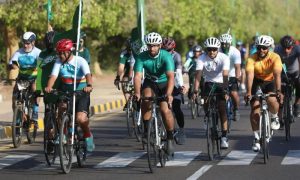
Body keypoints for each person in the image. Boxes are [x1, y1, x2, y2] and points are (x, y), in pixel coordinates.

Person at [45, 39, 95, 152]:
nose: (60, 55)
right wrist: (49, 87)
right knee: (61, 109)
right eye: (59, 53)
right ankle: (62, 134)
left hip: (81, 93)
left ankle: (88, 135)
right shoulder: (58, 62)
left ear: (69, 52)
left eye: (62, 53)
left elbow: (88, 74)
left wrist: (89, 85)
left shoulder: (80, 61)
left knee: (80, 119)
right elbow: (53, 76)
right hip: (66, 92)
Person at [134, 32, 175, 156]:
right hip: (150, 81)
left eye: (155, 45)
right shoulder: (141, 57)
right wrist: (137, 93)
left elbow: (171, 77)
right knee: (145, 100)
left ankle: (169, 138)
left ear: (159, 46)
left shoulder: (166, 56)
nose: (152, 48)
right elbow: (137, 76)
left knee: (165, 110)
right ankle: (146, 130)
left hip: (164, 83)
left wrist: (169, 94)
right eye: (150, 45)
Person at [245, 35, 283, 152]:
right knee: (255, 109)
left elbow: (277, 75)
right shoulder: (251, 58)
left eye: (264, 48)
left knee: (272, 100)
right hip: (257, 81)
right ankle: (256, 138)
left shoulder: (275, 57)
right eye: (259, 47)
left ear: (269, 48)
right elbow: (250, 76)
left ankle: (274, 116)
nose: (261, 50)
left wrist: (278, 91)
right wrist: (249, 92)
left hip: (270, 81)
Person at [193, 37, 230, 149]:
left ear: (217, 49)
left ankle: (224, 137)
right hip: (209, 83)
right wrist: (195, 90)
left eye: (214, 49)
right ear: (206, 50)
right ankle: (207, 116)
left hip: (220, 83)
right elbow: (198, 75)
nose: (212, 52)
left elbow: (225, 75)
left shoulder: (224, 57)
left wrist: (225, 90)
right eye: (209, 49)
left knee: (222, 109)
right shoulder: (202, 58)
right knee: (204, 100)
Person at [10, 32, 41, 122]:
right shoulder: (19, 52)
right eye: (24, 43)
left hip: (34, 78)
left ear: (33, 42)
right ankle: (17, 119)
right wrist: (12, 66)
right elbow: (12, 62)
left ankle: (35, 111)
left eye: (27, 43)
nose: (25, 45)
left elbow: (42, 66)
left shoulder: (38, 52)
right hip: (23, 79)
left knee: (35, 89)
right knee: (15, 99)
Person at [162, 37, 186, 145]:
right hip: (162, 83)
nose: (166, 53)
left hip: (175, 83)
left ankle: (181, 130)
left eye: (168, 51)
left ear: (173, 49)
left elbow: (179, 72)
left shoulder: (176, 56)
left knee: (176, 107)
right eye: (164, 50)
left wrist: (181, 85)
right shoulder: (159, 56)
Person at [274, 35, 300, 118]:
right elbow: (273, 64)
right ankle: (280, 114)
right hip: (282, 72)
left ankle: (296, 104)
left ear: (292, 46)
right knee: (279, 91)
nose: (286, 50)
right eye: (284, 48)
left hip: (294, 71)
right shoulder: (277, 49)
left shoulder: (297, 49)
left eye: (288, 48)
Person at [219, 33, 242, 121]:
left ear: (230, 44)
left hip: (232, 74)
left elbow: (237, 67)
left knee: (233, 93)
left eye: (227, 44)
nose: (224, 46)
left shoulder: (235, 52)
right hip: (220, 75)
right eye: (222, 44)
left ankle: (236, 109)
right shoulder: (217, 50)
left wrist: (238, 78)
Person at [114, 38, 135, 110]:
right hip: (128, 73)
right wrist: (118, 77)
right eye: (129, 48)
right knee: (124, 81)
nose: (130, 51)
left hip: (140, 72)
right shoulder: (124, 53)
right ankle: (128, 101)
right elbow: (121, 67)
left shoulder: (140, 52)